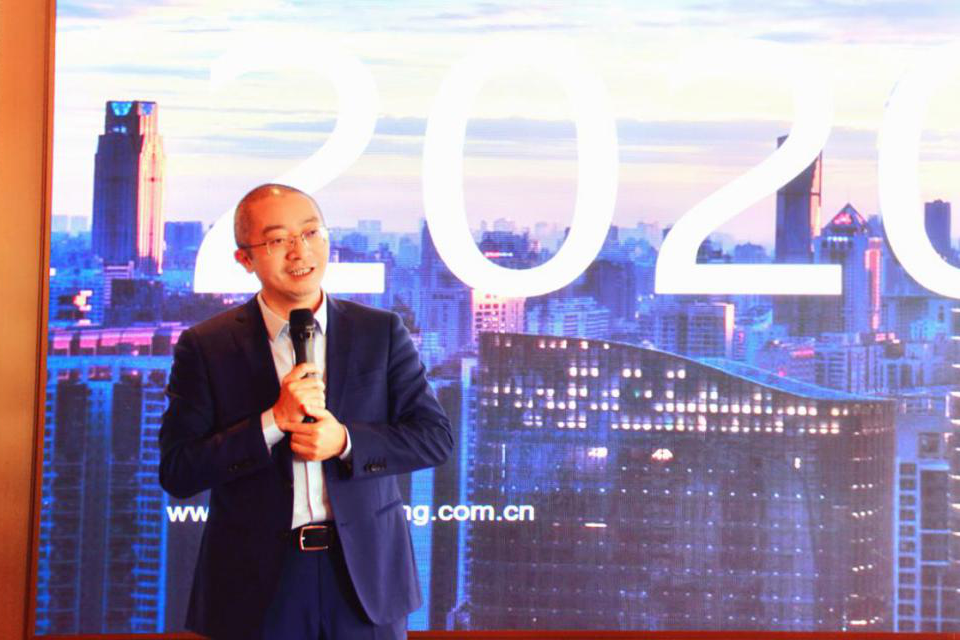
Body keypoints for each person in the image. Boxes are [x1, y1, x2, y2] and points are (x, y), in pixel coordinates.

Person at [159, 184, 453, 639]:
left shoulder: (380, 331)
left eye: (311, 232)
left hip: (363, 578)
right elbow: (179, 471)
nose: (300, 251)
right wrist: (272, 422)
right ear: (245, 259)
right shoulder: (206, 346)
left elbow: (434, 438)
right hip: (255, 583)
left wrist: (346, 442)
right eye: (278, 240)